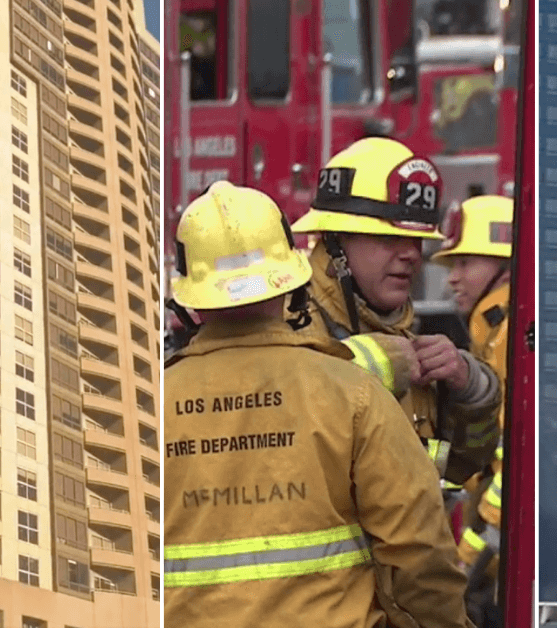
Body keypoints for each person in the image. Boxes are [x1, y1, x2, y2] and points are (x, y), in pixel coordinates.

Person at [163, 181, 472, 628]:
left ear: (191, 298)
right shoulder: (355, 396)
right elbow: (417, 550)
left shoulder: (147, 409)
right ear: (289, 279)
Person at [289, 137, 502, 488]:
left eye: (416, 241)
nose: (412, 256)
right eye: (389, 239)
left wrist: (471, 388)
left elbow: (452, 471)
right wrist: (369, 365)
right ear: (335, 242)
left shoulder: (403, 339)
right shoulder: (288, 327)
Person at [430, 195, 513, 625]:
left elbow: (515, 462)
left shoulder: (508, 332)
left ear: (504, 264)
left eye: (466, 264)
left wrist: (467, 560)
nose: (453, 279)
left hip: (506, 559)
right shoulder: (493, 329)